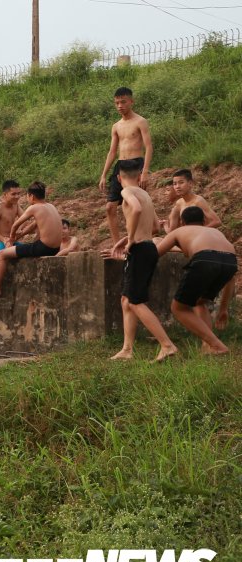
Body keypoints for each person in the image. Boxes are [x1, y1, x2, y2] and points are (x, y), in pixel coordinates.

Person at [106, 160, 178, 362]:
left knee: (136, 302)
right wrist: (127, 238)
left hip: (139, 250)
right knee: (126, 300)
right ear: (139, 177)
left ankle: (167, 345)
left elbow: (136, 210)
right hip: (149, 247)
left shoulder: (126, 192)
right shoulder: (146, 194)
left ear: (119, 179)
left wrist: (129, 239)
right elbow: (154, 227)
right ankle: (127, 349)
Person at [157, 206, 236, 355]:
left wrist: (125, 255)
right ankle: (208, 347)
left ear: (182, 223)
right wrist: (223, 309)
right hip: (230, 261)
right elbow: (230, 280)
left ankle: (216, 345)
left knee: (179, 308)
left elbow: (154, 255)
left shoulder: (179, 231)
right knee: (199, 302)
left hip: (205, 260)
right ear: (204, 221)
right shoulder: (216, 232)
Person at [0, 182, 64, 300]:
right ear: (5, 194)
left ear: (32, 197)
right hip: (55, 248)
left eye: (19, 194)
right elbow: (33, 225)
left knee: (2, 254)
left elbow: (16, 225)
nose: (17, 196)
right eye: (14, 194)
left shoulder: (28, 207)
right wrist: (8, 239)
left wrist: (14, 236)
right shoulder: (51, 206)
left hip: (41, 247)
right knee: (8, 251)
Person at [98, 87, 153, 244]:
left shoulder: (140, 121)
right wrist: (103, 175)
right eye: (117, 103)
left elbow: (148, 147)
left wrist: (145, 171)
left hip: (136, 164)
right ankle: (116, 244)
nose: (120, 106)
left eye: (123, 102)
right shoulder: (116, 126)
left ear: (131, 101)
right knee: (110, 207)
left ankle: (140, 238)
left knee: (137, 203)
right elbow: (112, 152)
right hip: (120, 166)